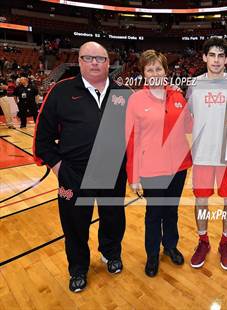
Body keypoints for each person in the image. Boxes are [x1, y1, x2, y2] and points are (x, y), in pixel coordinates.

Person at [34, 41, 129, 293]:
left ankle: (110, 253)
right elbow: (42, 138)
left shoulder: (123, 94)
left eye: (100, 58)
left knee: (113, 218)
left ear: (109, 63)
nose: (95, 63)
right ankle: (78, 268)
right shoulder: (61, 91)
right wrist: (58, 167)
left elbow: (133, 135)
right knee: (75, 224)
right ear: (79, 62)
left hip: (112, 171)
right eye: (88, 58)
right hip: (73, 174)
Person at [126, 50, 192, 277]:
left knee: (171, 210)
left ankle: (170, 246)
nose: (155, 73)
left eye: (158, 68)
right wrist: (133, 176)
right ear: (143, 73)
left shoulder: (178, 97)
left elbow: (189, 128)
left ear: (166, 71)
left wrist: (183, 100)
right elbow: (131, 140)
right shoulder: (135, 100)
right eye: (150, 69)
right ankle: (152, 253)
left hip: (179, 167)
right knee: (154, 213)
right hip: (152, 169)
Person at [187, 38, 227, 270]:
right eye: (212, 55)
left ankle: (225, 243)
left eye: (221, 56)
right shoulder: (194, 84)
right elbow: (189, 116)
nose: (216, 60)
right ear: (204, 57)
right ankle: (203, 241)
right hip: (201, 156)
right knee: (201, 201)